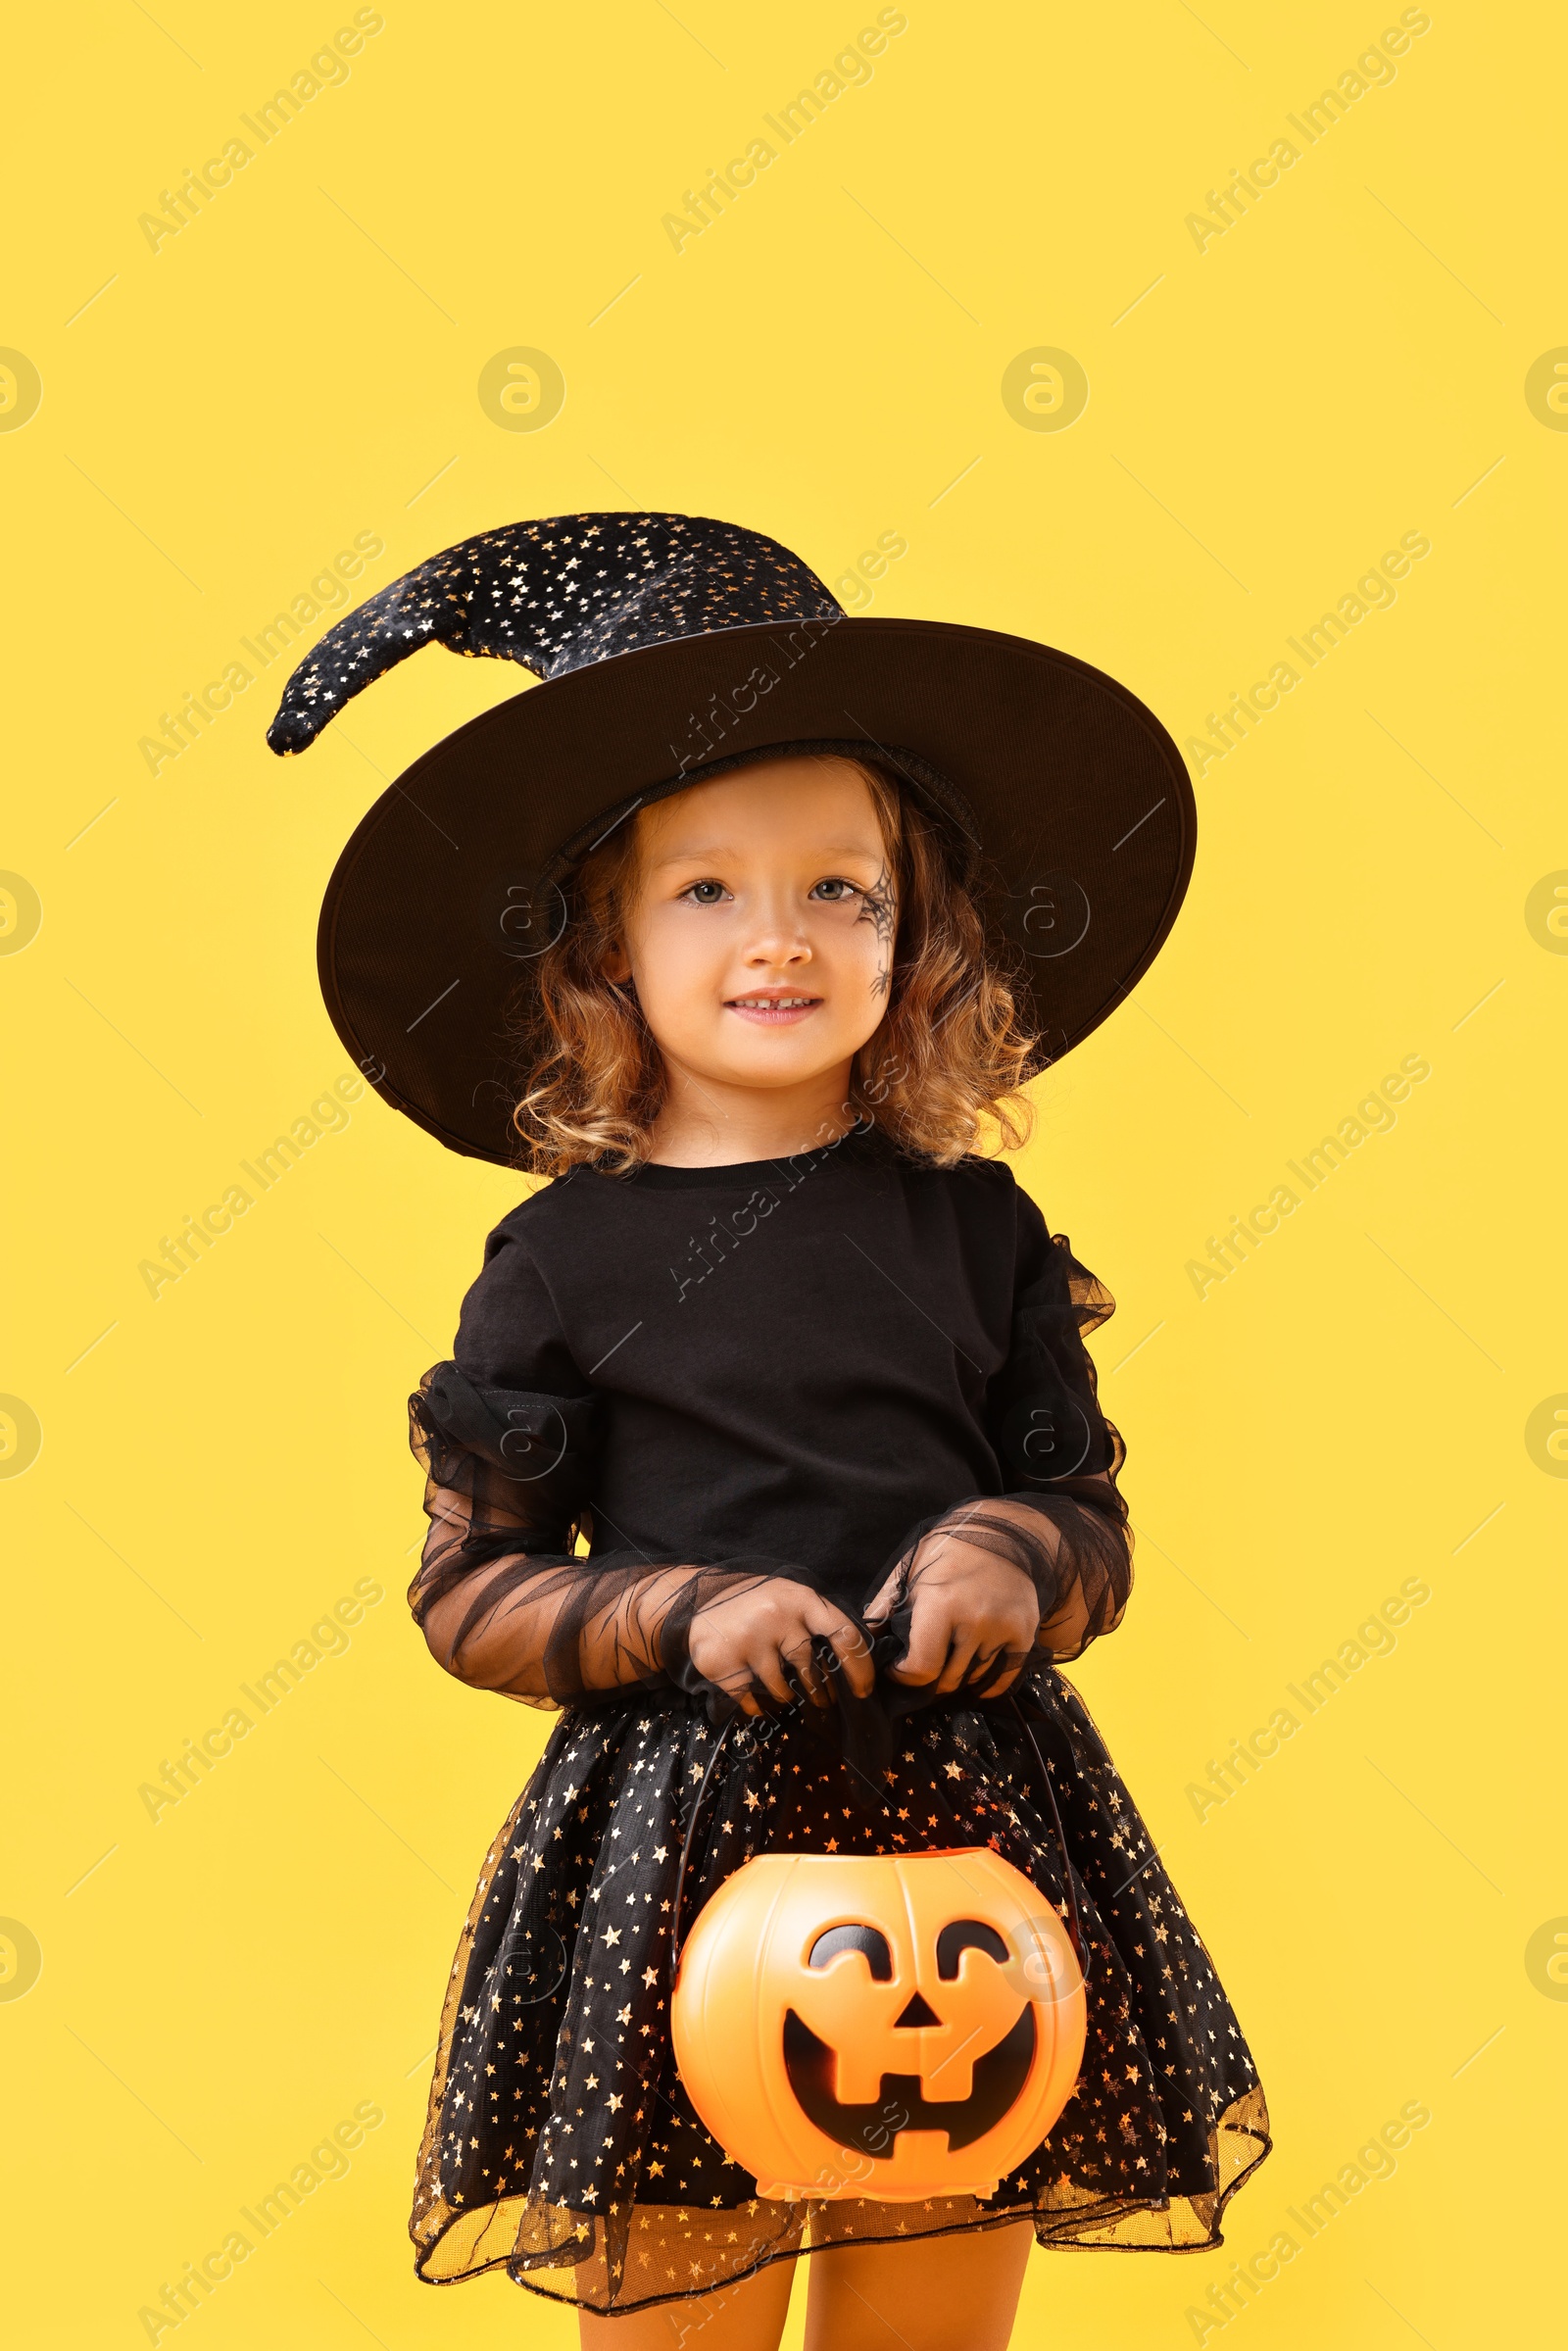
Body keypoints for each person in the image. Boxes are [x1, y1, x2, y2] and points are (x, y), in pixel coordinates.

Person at [268, 512, 1270, 2348]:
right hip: (671, 1854)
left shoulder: (978, 1230)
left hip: (967, 1852)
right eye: (708, 889)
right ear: (603, 947)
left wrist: (1017, 1550)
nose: (782, 937)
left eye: (843, 890)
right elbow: (472, 1589)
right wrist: (679, 1612)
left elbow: (1083, 1507)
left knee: (929, 2312)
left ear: (919, 934)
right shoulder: (557, 1263)